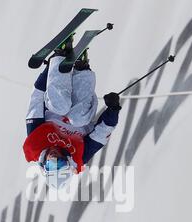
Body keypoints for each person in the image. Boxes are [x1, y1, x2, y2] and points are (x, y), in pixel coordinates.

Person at [23, 36, 122, 189]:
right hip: (80, 109)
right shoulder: (79, 156)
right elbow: (102, 134)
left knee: (60, 106)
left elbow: (36, 99)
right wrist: (113, 109)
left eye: (51, 164)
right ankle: (82, 68)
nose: (54, 157)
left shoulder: (35, 143)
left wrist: (49, 69)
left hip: (55, 97)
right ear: (67, 162)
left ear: (44, 166)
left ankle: (60, 55)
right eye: (59, 163)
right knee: (78, 119)